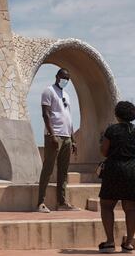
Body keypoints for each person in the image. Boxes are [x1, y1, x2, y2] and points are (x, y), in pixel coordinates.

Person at [98, 101, 135, 253]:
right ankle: (129, 242)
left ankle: (110, 242)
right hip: (133, 170)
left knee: (106, 205)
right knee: (131, 208)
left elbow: (104, 151)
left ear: (117, 114)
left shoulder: (112, 130)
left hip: (115, 169)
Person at [37, 68, 79, 213]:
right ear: (57, 77)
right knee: (48, 168)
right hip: (54, 136)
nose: (65, 81)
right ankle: (40, 203)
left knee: (63, 170)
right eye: (63, 77)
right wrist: (52, 134)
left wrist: (73, 140)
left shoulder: (66, 94)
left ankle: (62, 203)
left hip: (67, 137)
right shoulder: (48, 91)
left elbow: (69, 119)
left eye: (67, 79)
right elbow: (46, 114)